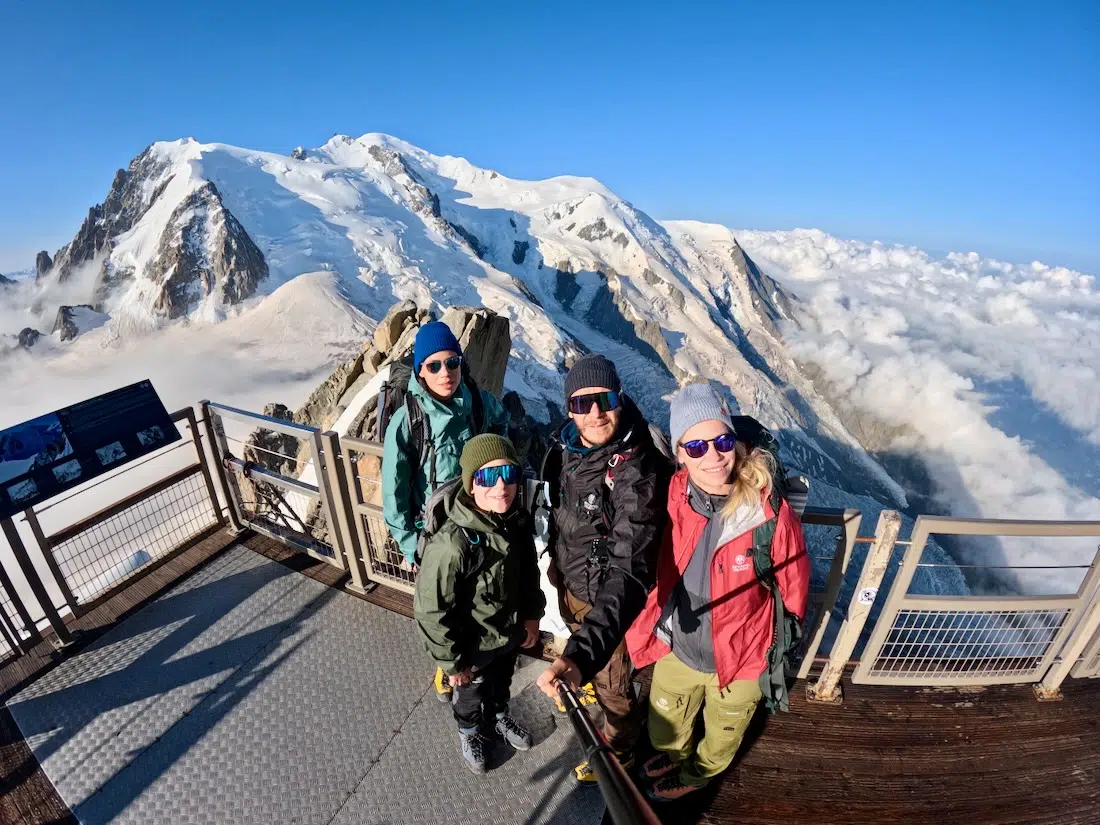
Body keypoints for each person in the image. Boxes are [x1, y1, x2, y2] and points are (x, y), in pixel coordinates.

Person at [625, 383, 809, 801]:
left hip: (743, 657)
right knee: (664, 725)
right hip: (680, 647)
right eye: (695, 447)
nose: (712, 456)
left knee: (723, 736)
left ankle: (696, 776)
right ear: (679, 454)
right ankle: (674, 755)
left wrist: (778, 644)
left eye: (722, 441)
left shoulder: (767, 512)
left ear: (737, 444)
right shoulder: (671, 495)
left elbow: (794, 583)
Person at [534, 354, 671, 784]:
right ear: (568, 409)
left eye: (604, 399)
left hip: (605, 600)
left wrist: (581, 657)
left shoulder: (635, 471)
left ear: (620, 397)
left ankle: (618, 753)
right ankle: (591, 670)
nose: (594, 413)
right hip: (573, 583)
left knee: (615, 690)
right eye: (581, 403)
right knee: (589, 649)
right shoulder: (567, 444)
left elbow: (630, 569)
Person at [382, 321, 510, 702]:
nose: (445, 373)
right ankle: (449, 670)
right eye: (434, 365)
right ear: (420, 371)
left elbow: (501, 423)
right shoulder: (408, 420)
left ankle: (481, 670)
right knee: (445, 608)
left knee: (482, 599)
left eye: (452, 362)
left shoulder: (476, 400)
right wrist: (410, 546)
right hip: (435, 536)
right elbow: (395, 494)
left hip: (480, 525)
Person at [413, 434, 546, 775]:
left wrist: (532, 615)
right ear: (472, 483)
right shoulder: (453, 544)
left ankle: (500, 715)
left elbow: (528, 572)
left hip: (508, 634)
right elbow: (431, 610)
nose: (501, 486)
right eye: (488, 476)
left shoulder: (515, 520)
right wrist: (453, 663)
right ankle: (470, 731)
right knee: (470, 693)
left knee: (502, 681)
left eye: (509, 474)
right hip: (471, 645)